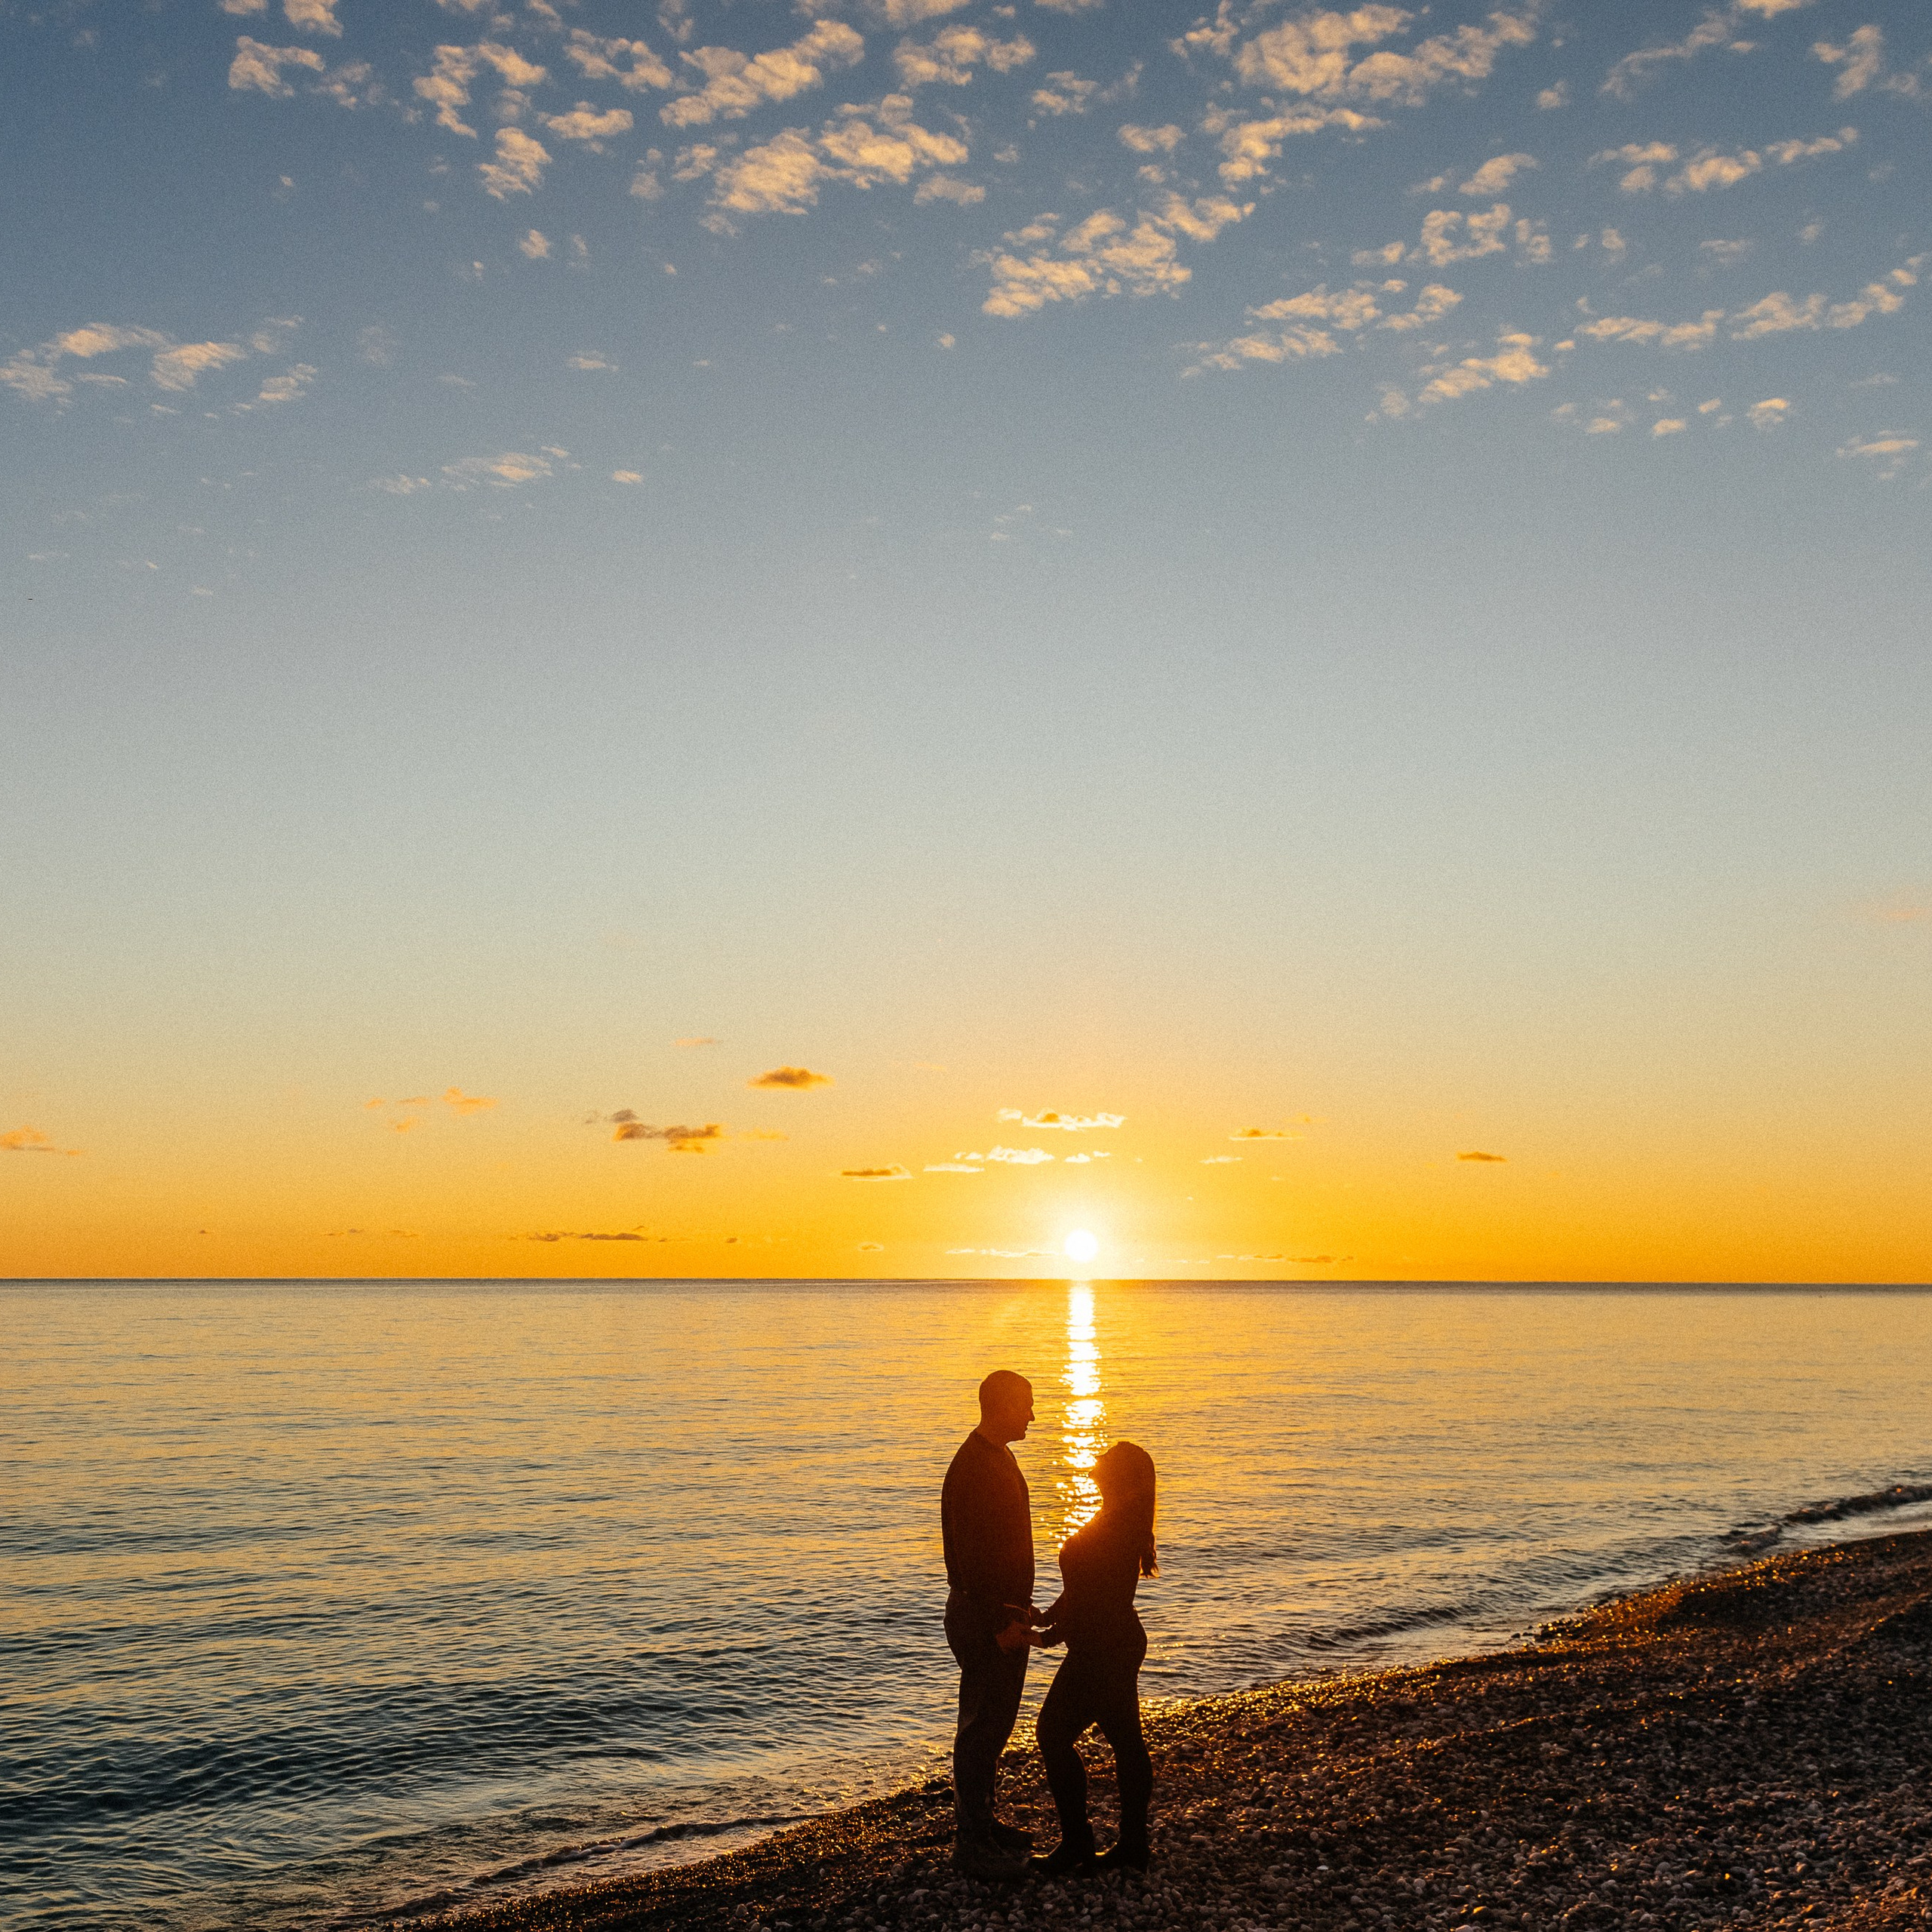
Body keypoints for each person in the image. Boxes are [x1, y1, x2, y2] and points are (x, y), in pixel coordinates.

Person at [1030, 1440, 1158, 1876]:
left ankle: (1080, 1843)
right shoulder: (1112, 1517)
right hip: (1111, 1643)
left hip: (1104, 1648)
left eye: (1107, 1456)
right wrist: (1047, 1616)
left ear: (1117, 1474)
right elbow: (1082, 1588)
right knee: (1125, 1741)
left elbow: (1094, 1599)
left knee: (1052, 1733)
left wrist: (1044, 1639)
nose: (1098, 1458)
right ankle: (1131, 1846)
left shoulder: (1118, 1524)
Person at [940, 1369, 1039, 1881]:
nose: (1032, 1415)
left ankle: (983, 1820)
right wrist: (998, 1626)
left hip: (1004, 1614)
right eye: (1025, 1404)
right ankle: (971, 1842)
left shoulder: (999, 1456)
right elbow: (974, 1561)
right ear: (1000, 1405)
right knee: (980, 1726)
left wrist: (1025, 1609)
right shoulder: (973, 1467)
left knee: (995, 1724)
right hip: (984, 1619)